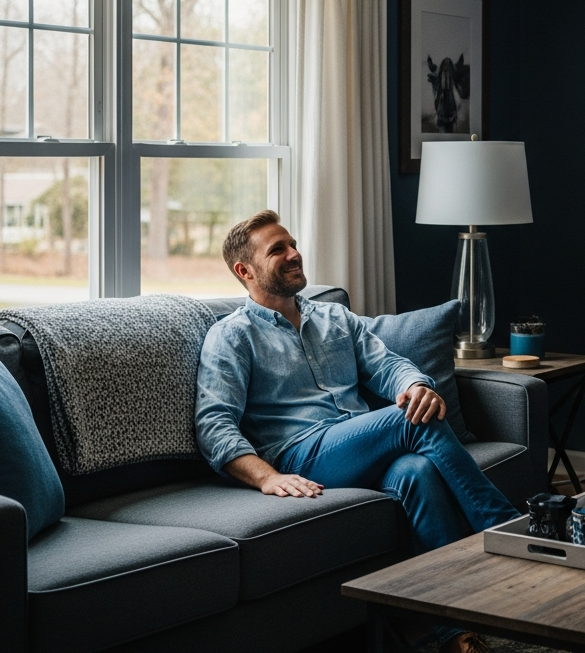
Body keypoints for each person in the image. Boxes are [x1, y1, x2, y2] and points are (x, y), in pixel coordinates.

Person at [195, 209, 517, 653]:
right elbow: (214, 426)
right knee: (409, 420)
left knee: (416, 472)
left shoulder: (335, 318)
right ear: (244, 271)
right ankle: (512, 530)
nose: (294, 254)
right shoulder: (231, 336)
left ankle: (456, 633)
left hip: (358, 445)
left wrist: (414, 384)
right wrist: (267, 477)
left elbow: (387, 365)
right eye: (278, 250)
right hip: (300, 453)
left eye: (292, 244)